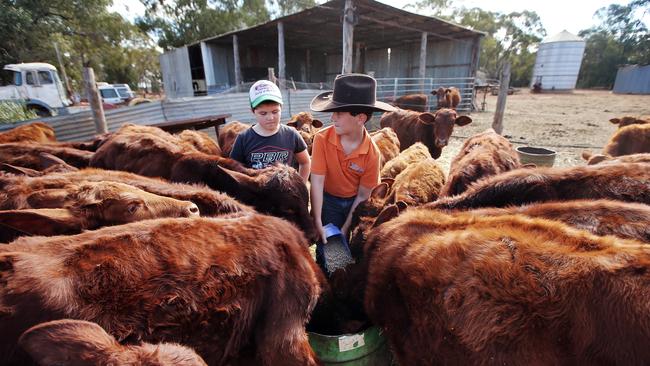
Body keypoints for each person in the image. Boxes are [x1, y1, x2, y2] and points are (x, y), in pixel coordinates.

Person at [309, 74, 396, 266]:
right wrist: (316, 219)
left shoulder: (372, 154)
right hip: (328, 200)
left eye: (339, 113)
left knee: (352, 245)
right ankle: (328, 277)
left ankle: (345, 277)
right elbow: (316, 182)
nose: (333, 118)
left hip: (355, 204)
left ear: (360, 118)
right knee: (329, 245)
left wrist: (347, 225)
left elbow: (364, 195)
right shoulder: (322, 139)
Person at [230, 80, 311, 181]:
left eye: (275, 112)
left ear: (281, 108)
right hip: (256, 194)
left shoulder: (291, 134)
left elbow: (305, 162)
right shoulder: (243, 138)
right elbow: (234, 170)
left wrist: (301, 185)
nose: (270, 117)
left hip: (285, 194)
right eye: (263, 113)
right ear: (252, 111)